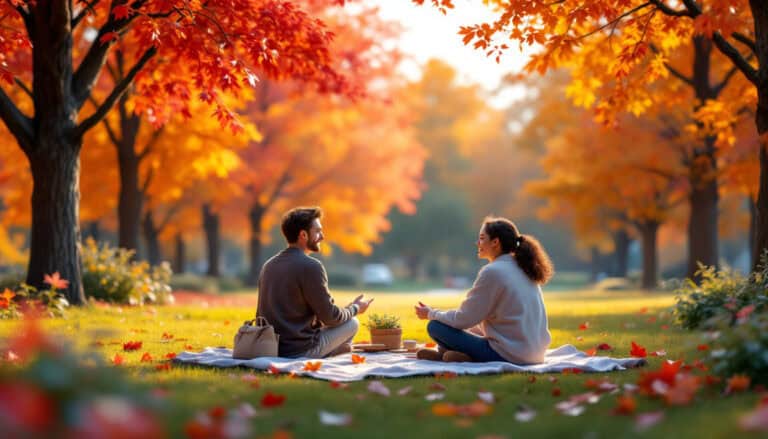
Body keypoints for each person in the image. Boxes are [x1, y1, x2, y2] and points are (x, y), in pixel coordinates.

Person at [414, 216, 553, 364]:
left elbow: (463, 319)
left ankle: (459, 355)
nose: (477, 243)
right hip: (536, 355)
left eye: (481, 238)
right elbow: (480, 320)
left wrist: (431, 313)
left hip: (509, 356)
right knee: (464, 329)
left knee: (436, 327)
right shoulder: (525, 268)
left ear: (495, 242)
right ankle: (452, 355)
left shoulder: (493, 272)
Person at [257, 206, 373, 358]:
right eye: (317, 231)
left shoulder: (268, 265)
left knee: (342, 321)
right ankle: (331, 354)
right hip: (300, 351)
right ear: (303, 235)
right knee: (353, 323)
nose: (322, 236)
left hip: (269, 348)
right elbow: (330, 318)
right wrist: (355, 308)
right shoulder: (311, 266)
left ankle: (334, 351)